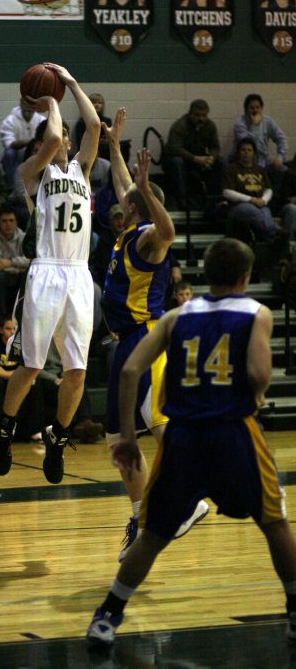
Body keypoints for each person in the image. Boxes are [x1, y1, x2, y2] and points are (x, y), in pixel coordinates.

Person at [86, 238, 296, 649]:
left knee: (153, 534)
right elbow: (258, 374)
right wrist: (255, 389)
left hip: (182, 437)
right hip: (233, 433)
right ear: (245, 277)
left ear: (206, 274)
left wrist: (129, 439)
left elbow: (129, 370)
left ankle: (107, 616)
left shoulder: (178, 316)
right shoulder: (257, 312)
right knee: (275, 522)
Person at [101, 108, 208, 562]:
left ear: (136, 206)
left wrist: (145, 188)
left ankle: (189, 502)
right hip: (123, 343)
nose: (122, 196)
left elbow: (168, 230)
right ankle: (142, 514)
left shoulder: (148, 237)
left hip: (144, 341)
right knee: (116, 441)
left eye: (131, 196)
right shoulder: (128, 229)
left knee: (163, 429)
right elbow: (127, 184)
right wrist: (113, 146)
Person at [0, 62, 101, 484]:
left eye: (66, 140)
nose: (62, 142)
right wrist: (52, 100)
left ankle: (58, 439)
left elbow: (94, 127)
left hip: (78, 275)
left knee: (77, 371)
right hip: (46, 272)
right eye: (54, 141)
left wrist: (72, 83)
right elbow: (54, 134)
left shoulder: (82, 171)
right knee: (32, 367)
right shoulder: (33, 175)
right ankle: (4, 429)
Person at [0, 316, 41, 446]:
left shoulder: (18, 344)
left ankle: (35, 431)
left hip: (6, 378)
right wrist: (10, 374)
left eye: (14, 328)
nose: (12, 332)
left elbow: (26, 368)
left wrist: (4, 373)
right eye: (8, 328)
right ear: (1, 330)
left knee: (35, 385)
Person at [162, 99, 224, 210]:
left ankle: (216, 200)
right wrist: (195, 159)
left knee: (221, 162)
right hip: (176, 160)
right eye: (197, 115)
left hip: (197, 159)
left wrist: (211, 158)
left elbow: (215, 147)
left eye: (204, 115)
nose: (201, 118)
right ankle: (182, 203)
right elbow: (175, 148)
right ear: (190, 114)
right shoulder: (180, 125)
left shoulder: (210, 126)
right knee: (178, 162)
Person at [223, 137, 280, 244]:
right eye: (243, 150)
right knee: (251, 210)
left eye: (249, 150)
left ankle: (268, 249)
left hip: (259, 204)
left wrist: (263, 200)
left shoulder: (260, 169)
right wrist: (251, 199)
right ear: (238, 152)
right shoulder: (231, 168)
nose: (246, 152)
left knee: (265, 212)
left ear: (254, 153)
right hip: (237, 206)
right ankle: (277, 232)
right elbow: (226, 192)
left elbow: (268, 189)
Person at [0, 203, 30, 318]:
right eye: (4, 221)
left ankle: (25, 316)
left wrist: (10, 262)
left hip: (19, 277)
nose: (8, 224)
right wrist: (19, 266)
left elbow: (30, 260)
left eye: (11, 220)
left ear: (16, 222)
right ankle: (1, 317)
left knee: (29, 274)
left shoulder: (24, 238)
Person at [233, 94, 288, 194]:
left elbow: (281, 139)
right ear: (246, 109)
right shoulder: (240, 123)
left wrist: (280, 157)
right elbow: (249, 145)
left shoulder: (268, 121)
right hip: (245, 160)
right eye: (251, 108)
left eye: (257, 107)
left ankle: (273, 198)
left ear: (262, 108)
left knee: (283, 170)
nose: (255, 110)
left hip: (263, 160)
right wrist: (255, 125)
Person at [0, 100, 46, 191]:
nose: (29, 107)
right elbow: (9, 144)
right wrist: (31, 141)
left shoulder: (41, 120)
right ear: (21, 104)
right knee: (9, 153)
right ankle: (11, 189)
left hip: (35, 154)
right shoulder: (10, 120)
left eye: (31, 104)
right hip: (17, 156)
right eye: (26, 103)